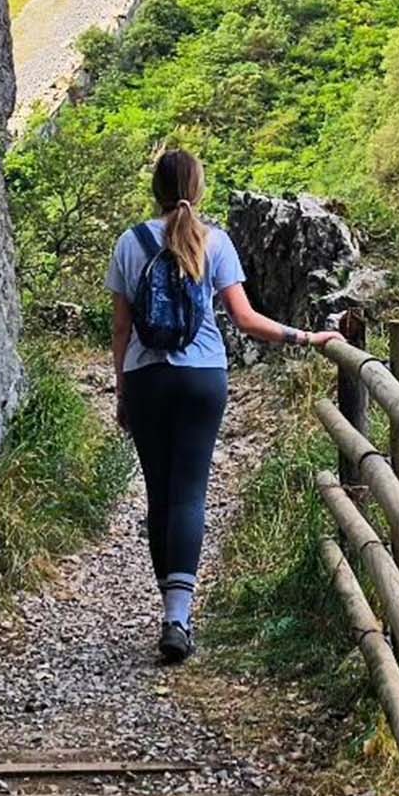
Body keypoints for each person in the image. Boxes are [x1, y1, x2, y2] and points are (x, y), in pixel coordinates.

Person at [109, 147, 340, 664]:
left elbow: (122, 328)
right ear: (198, 188)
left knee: (159, 496)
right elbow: (246, 318)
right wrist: (306, 337)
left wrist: (123, 391)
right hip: (202, 380)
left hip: (146, 380)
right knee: (190, 494)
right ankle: (178, 618)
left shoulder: (129, 243)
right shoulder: (216, 242)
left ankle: (168, 609)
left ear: (156, 189)